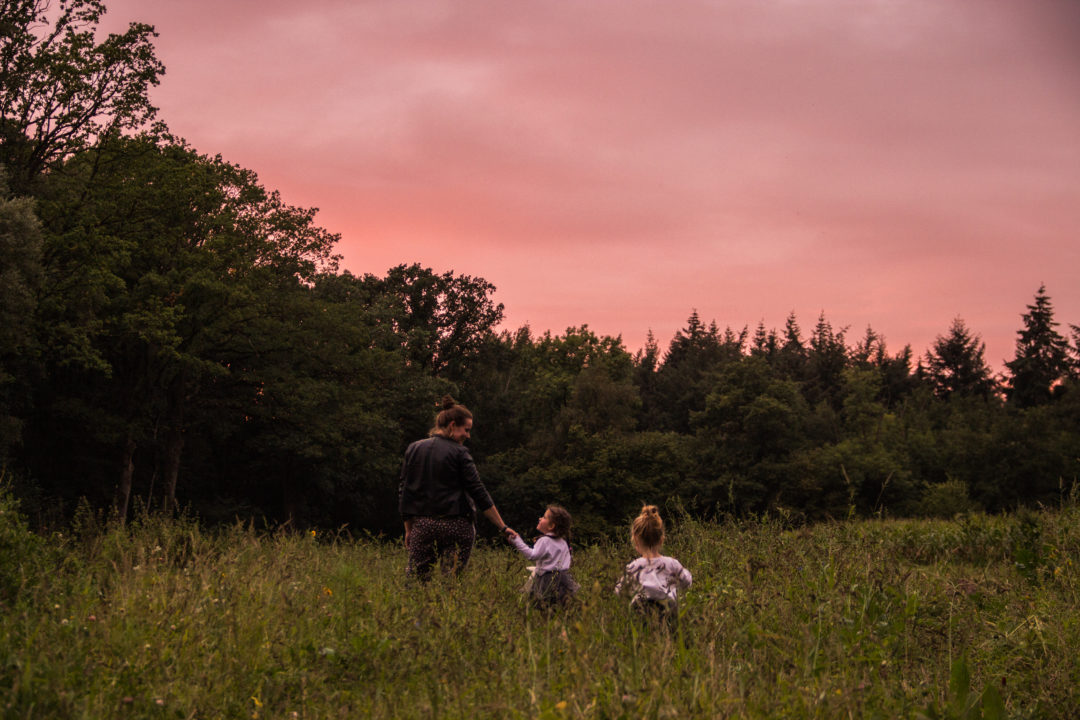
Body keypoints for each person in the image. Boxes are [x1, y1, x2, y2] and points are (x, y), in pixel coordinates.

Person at [398, 395, 513, 580]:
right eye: (466, 430)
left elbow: (405, 492)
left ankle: (419, 610)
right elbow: (478, 491)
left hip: (424, 525)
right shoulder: (460, 453)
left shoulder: (413, 449)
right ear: (452, 425)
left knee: (415, 582)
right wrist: (502, 527)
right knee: (450, 584)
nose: (468, 435)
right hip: (457, 526)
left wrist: (408, 528)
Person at [614, 505, 692, 628]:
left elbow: (619, 591)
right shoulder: (672, 564)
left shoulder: (633, 567)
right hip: (669, 616)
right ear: (662, 539)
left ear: (635, 540)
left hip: (640, 616)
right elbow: (687, 581)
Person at [507, 505, 580, 608]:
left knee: (544, 606)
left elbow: (532, 555)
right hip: (563, 579)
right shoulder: (563, 542)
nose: (540, 518)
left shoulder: (545, 541)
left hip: (547, 580)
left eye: (544, 517)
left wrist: (517, 541)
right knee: (561, 607)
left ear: (551, 526)